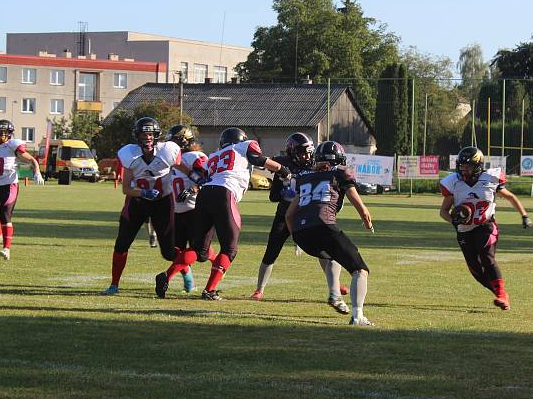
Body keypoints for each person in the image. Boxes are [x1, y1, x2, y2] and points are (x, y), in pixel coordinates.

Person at [160, 127, 290, 301]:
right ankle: (209, 290)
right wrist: (283, 170)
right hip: (224, 193)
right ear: (241, 139)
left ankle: (165, 276)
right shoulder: (244, 146)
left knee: (199, 250)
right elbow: (259, 159)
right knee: (229, 249)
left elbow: (202, 177)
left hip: (204, 195)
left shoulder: (214, 156)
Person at [251, 132, 348, 309]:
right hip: (285, 213)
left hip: (307, 213)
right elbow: (273, 197)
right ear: (292, 152)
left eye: (309, 152)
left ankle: (335, 285)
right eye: (303, 152)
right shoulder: (284, 165)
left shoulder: (315, 164)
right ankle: (259, 289)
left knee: (323, 250)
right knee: (272, 250)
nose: (307, 156)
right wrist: (285, 193)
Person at [285, 141, 375, 325]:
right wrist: (367, 222)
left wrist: (295, 237)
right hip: (323, 226)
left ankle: (335, 294)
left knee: (333, 256)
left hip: (301, 233)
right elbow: (360, 205)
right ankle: (358, 316)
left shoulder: (304, 176)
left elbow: (289, 215)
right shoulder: (339, 173)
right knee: (360, 270)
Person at [439, 146, 533, 311]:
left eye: (468, 166)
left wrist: (524, 215)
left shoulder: (490, 179)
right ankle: (500, 294)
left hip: (486, 225)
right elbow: (443, 212)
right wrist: (455, 221)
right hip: (464, 230)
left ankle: (502, 294)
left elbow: (510, 197)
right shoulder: (454, 183)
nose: (464, 170)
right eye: (461, 166)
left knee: (487, 257)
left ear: (478, 166)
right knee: (475, 269)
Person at [101, 117, 181, 296]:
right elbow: (126, 188)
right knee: (122, 243)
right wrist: (142, 193)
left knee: (169, 252)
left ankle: (184, 272)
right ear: (137, 135)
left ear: (157, 135)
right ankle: (114, 284)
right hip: (137, 202)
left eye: (151, 134)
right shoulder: (130, 154)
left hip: (163, 202)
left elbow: (181, 165)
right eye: (144, 134)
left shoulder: (168, 150)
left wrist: (196, 179)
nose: (148, 138)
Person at [0, 119, 44, 260]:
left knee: (5, 213)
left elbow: (31, 159)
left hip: (9, 185)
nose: (1, 135)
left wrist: (37, 172)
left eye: (4, 132)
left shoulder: (12, 145)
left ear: (10, 134)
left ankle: (6, 248)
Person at [163, 125, 208, 292]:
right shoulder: (170, 160)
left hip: (194, 209)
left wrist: (193, 189)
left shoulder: (196, 156)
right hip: (176, 211)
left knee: (199, 250)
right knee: (176, 250)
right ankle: (189, 281)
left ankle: (216, 259)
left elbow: (206, 178)